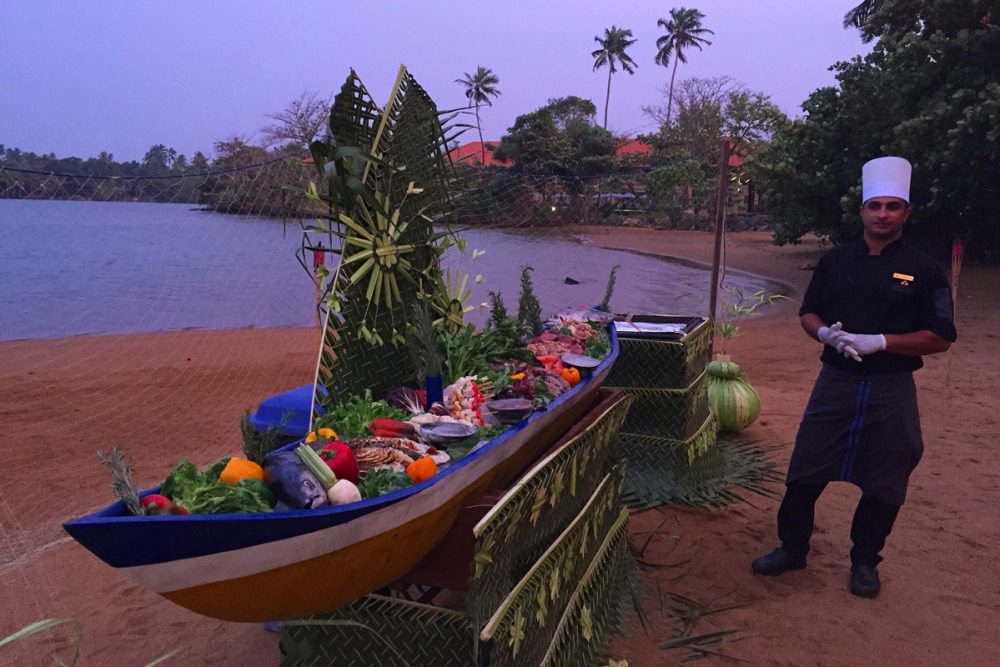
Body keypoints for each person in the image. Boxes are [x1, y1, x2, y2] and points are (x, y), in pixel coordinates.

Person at [751, 156, 957, 598]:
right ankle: (792, 548)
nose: (882, 214)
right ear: (861, 211)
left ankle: (865, 561)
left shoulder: (925, 269)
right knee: (806, 469)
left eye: (892, 206)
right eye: (875, 206)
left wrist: (882, 341)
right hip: (836, 382)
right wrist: (824, 333)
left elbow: (941, 336)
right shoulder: (835, 261)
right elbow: (808, 311)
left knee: (886, 478)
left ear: (906, 213)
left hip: (891, 388)